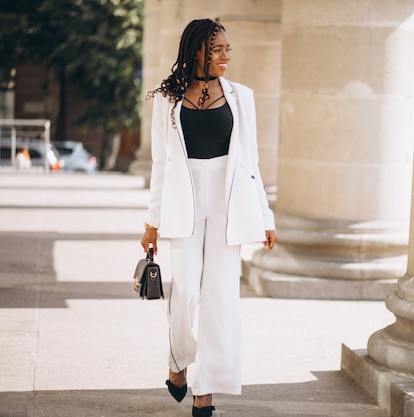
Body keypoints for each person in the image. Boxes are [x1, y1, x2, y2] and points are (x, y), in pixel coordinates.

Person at [140, 18, 276, 417]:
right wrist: (152, 223)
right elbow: (160, 164)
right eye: (218, 49)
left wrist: (265, 215)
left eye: (228, 49)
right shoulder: (168, 99)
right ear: (196, 49)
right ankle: (178, 362)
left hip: (229, 206)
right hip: (184, 204)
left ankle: (207, 391)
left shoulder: (241, 97)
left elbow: (250, 162)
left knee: (219, 299)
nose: (226, 56)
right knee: (186, 294)